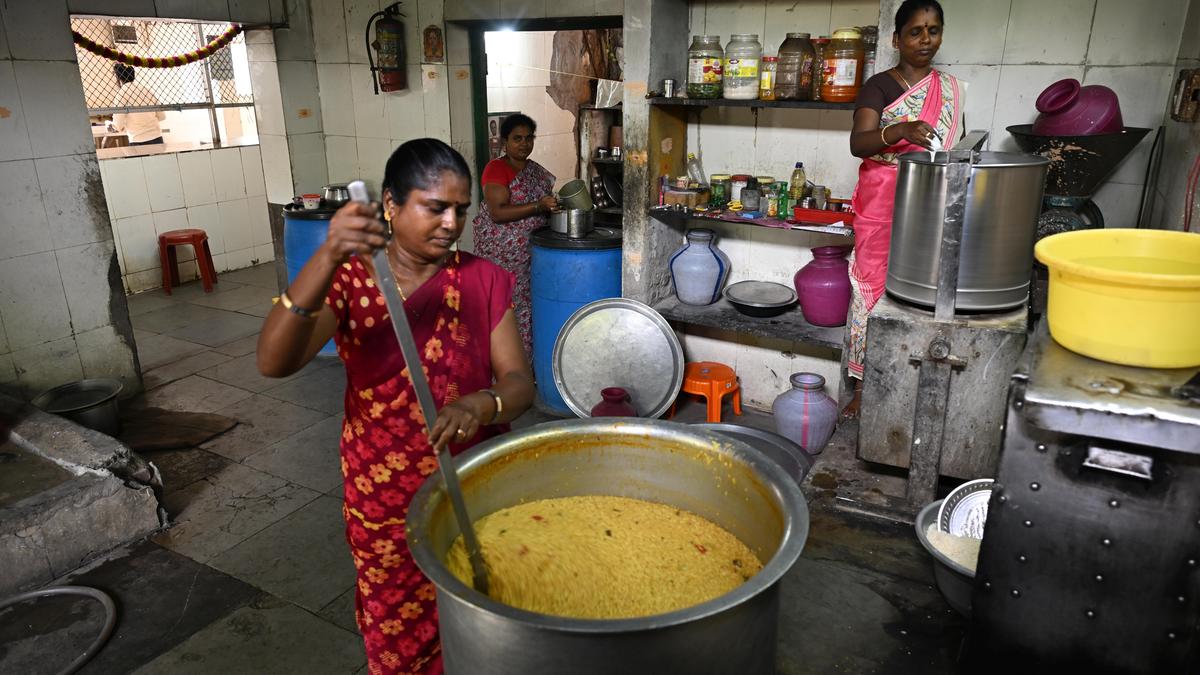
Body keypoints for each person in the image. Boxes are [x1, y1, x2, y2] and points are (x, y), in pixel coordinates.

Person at [257, 138, 535, 674]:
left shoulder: (481, 280)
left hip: (471, 483)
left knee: (482, 619)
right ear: (391, 204)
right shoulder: (352, 280)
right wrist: (327, 254)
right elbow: (274, 361)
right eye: (435, 207)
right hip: (384, 495)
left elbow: (520, 384)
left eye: (461, 209)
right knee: (400, 634)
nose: (452, 223)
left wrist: (483, 403)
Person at [842, 0, 962, 416]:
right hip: (881, 203)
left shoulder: (949, 90)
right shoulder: (880, 85)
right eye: (915, 31)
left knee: (918, 294)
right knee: (871, 294)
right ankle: (861, 385)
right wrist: (899, 131)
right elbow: (860, 143)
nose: (925, 39)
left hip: (929, 203)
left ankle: (909, 384)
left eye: (933, 30)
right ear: (897, 39)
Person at [472, 113, 558, 356]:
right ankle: (503, 368)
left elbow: (544, 205)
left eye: (529, 138)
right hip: (502, 255)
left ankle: (527, 366)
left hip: (530, 254)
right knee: (506, 308)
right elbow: (498, 213)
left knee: (529, 308)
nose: (524, 144)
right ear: (505, 142)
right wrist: (538, 206)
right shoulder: (496, 169)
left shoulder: (535, 170)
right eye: (517, 138)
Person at [109, 64, 165, 146]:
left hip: (137, 140)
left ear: (118, 78)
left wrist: (114, 126)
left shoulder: (121, 93)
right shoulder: (146, 90)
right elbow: (162, 116)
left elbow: (118, 124)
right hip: (157, 138)